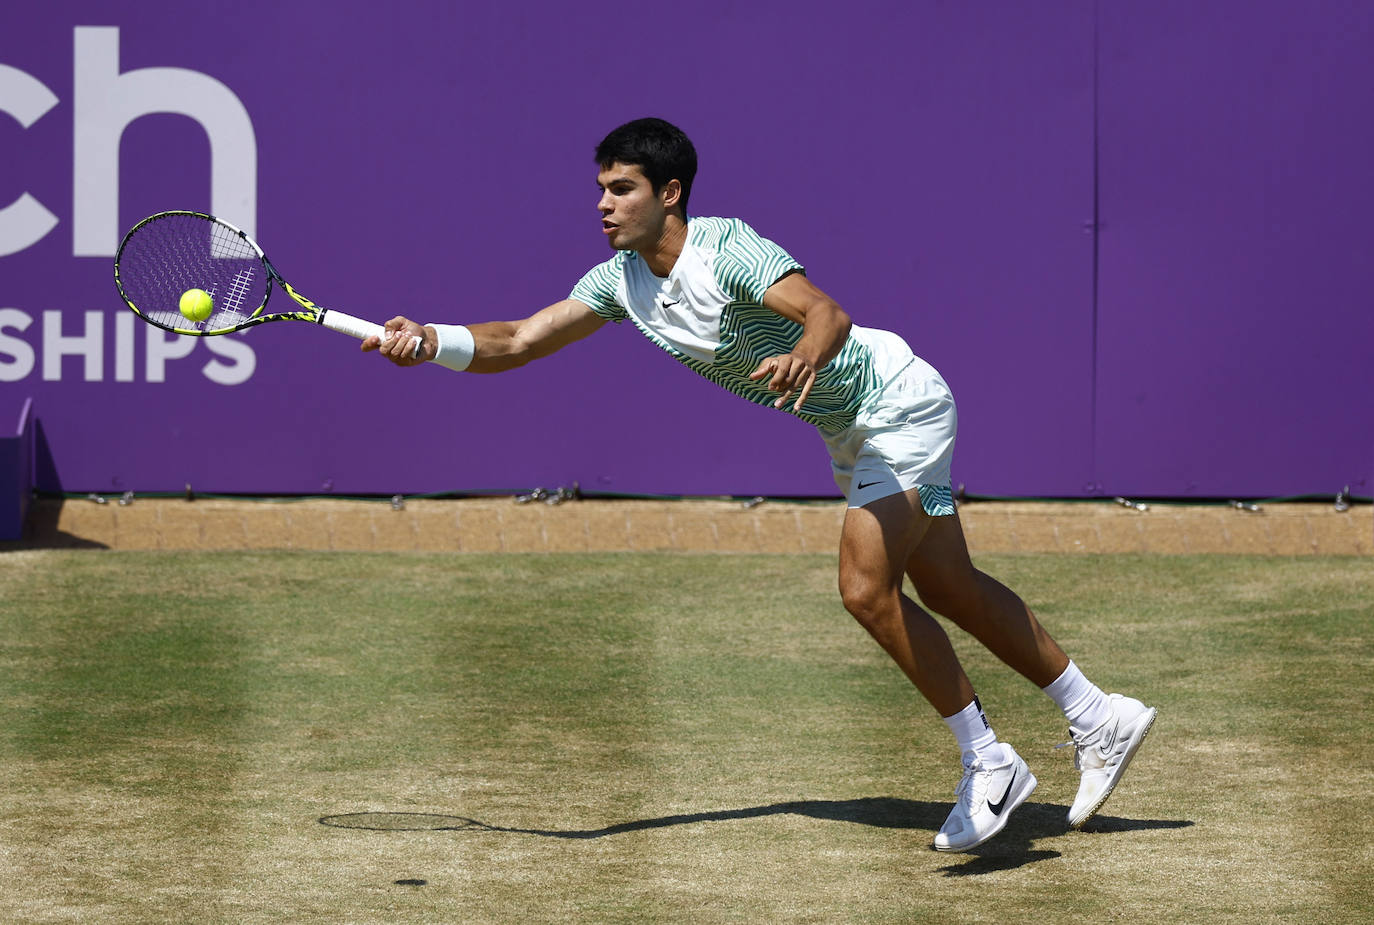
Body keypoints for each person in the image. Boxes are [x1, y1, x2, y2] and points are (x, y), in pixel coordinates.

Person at [364, 117, 1156, 852]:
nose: (603, 205)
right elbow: (519, 340)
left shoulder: (726, 249)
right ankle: (1098, 714)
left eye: (622, 188)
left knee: (864, 589)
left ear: (669, 193)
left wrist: (807, 353)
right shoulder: (618, 283)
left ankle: (990, 762)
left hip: (900, 407)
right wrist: (430, 340)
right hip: (855, 431)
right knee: (947, 584)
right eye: (601, 189)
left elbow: (826, 312)